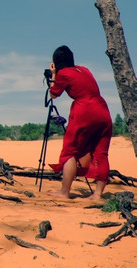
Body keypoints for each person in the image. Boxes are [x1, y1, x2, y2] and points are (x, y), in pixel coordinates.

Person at [47, 45, 113, 200]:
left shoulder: (63, 73)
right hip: (102, 110)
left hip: (84, 110)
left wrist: (54, 74)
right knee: (101, 151)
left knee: (70, 151)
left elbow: (54, 93)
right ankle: (97, 194)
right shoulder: (84, 69)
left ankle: (65, 192)